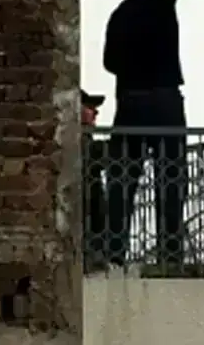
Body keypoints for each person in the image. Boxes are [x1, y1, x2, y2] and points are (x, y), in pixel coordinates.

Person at [102, 0, 204, 266]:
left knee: (122, 182)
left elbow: (109, 63)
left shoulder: (119, 14)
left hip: (128, 106)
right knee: (170, 180)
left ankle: (113, 251)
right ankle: (169, 252)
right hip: (163, 103)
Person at [80, 89, 107, 271]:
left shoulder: (86, 137)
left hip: (92, 205)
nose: (95, 113)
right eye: (90, 107)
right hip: (85, 204)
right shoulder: (76, 138)